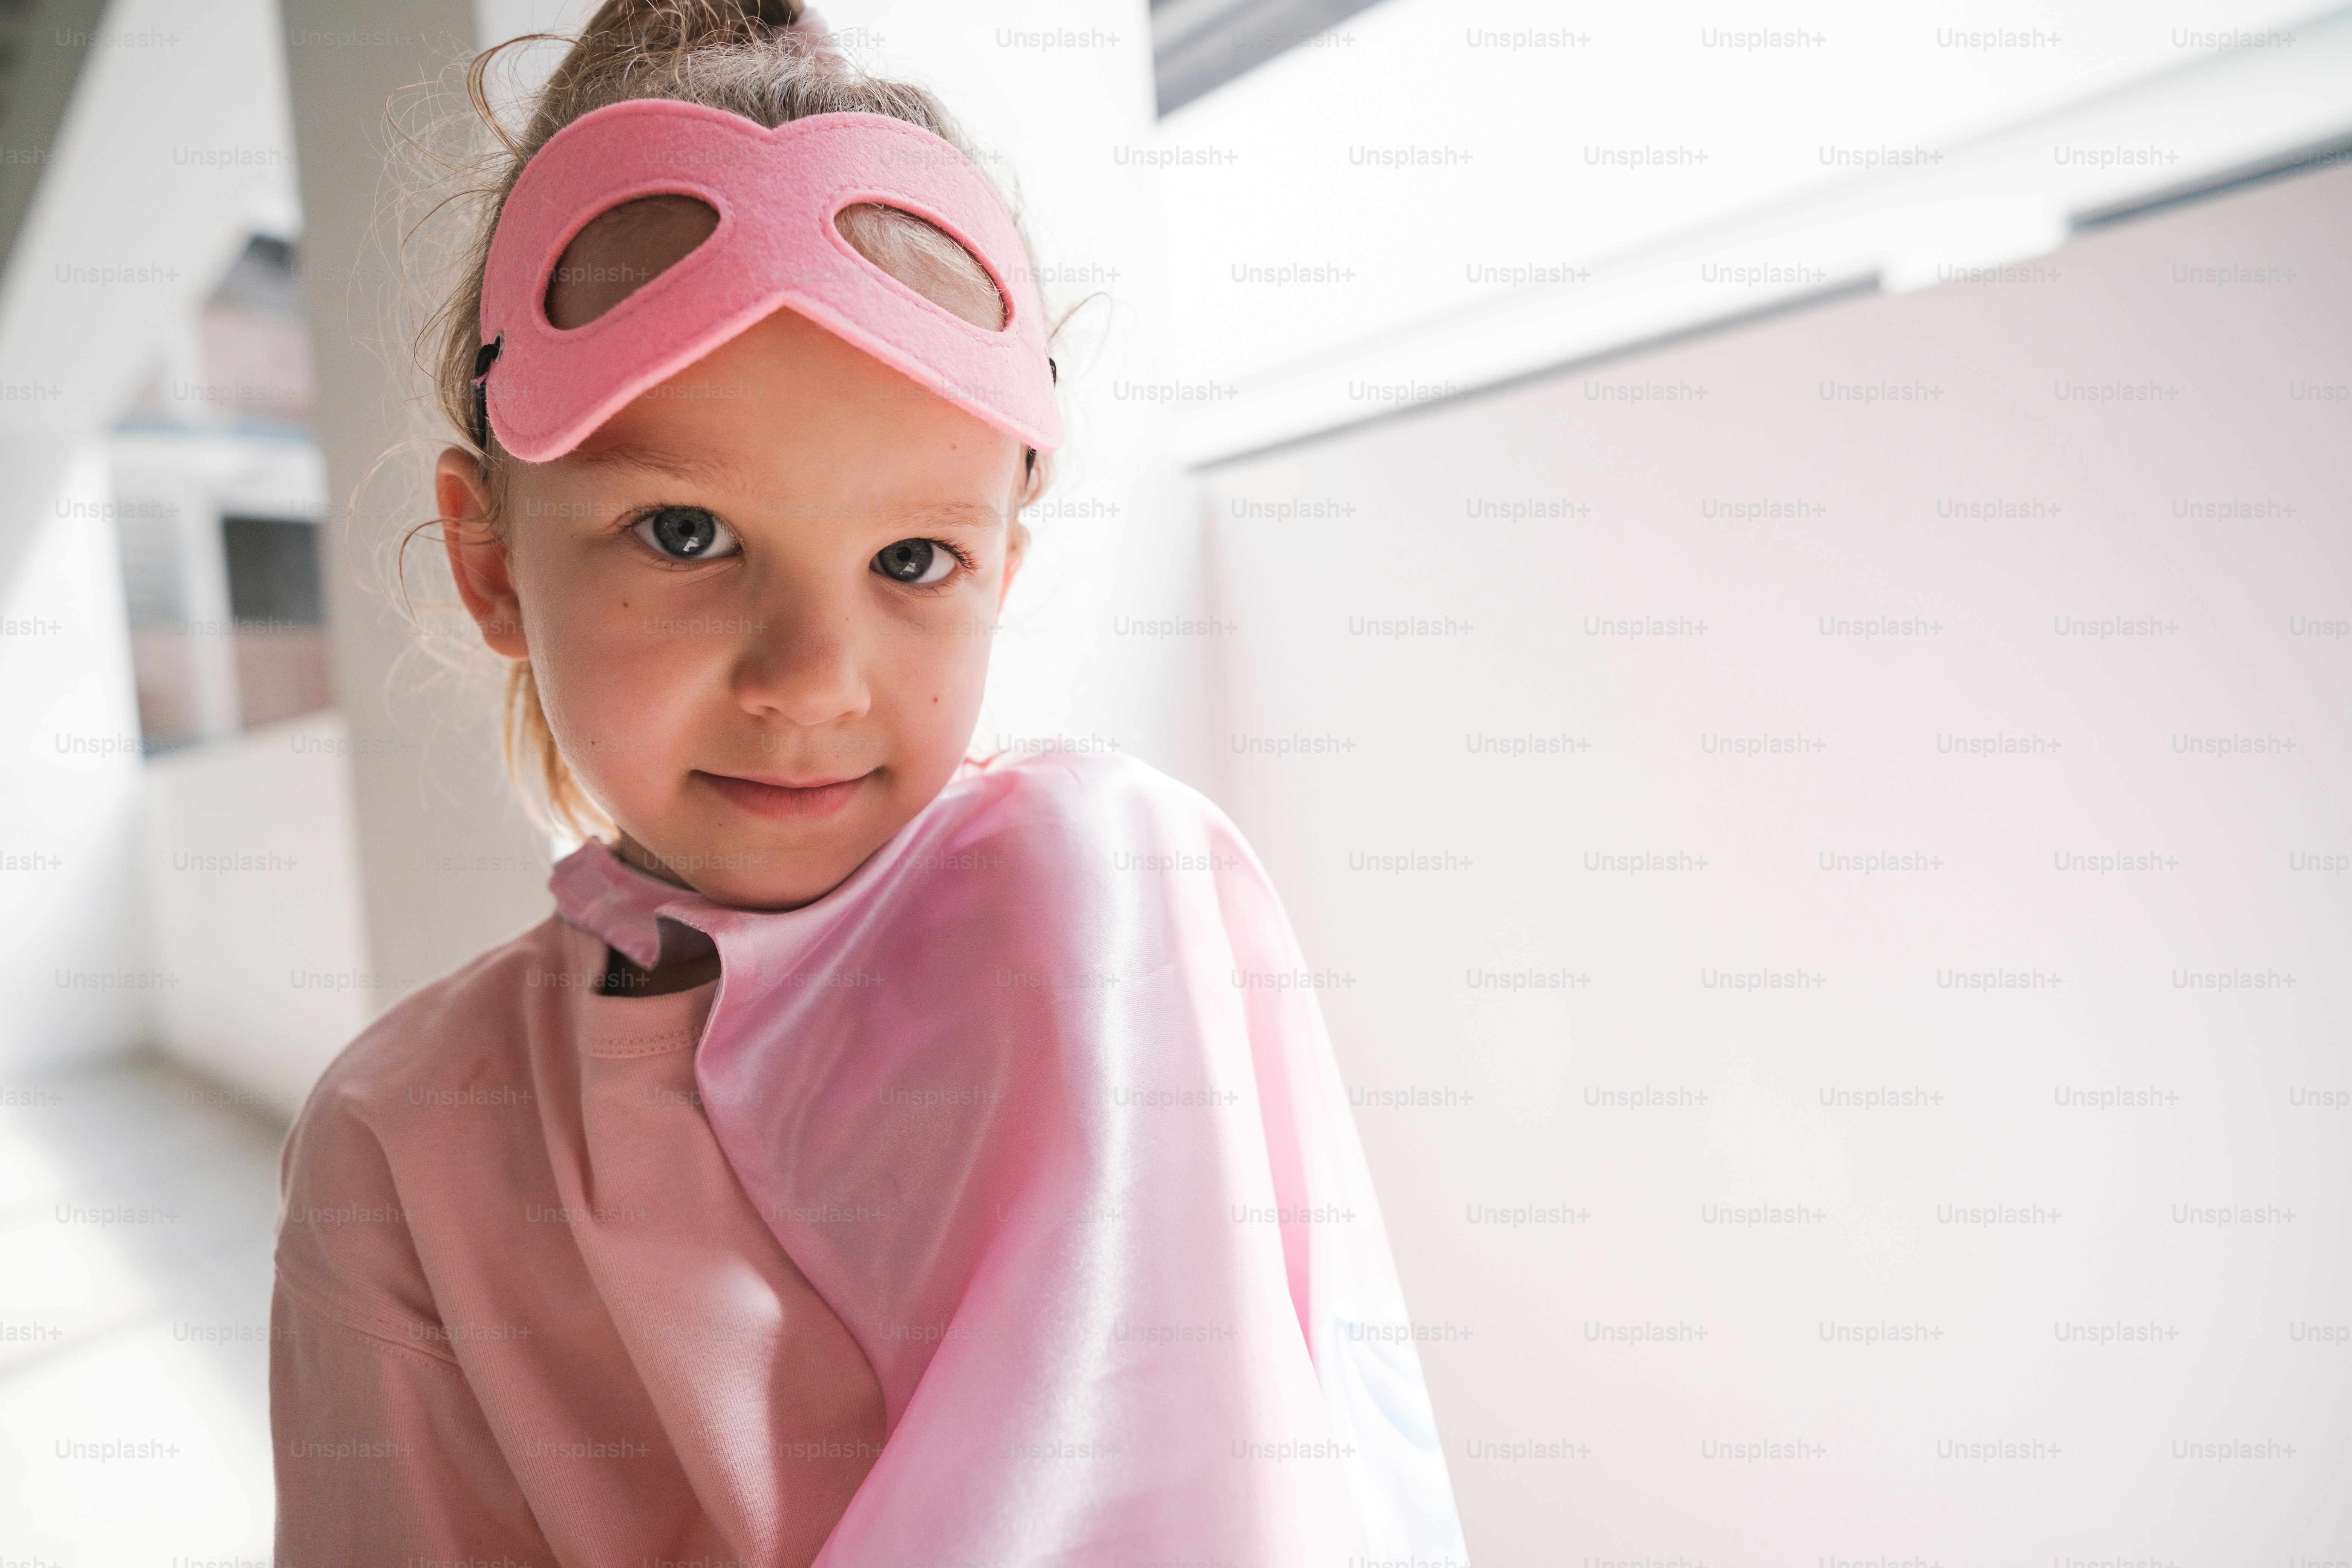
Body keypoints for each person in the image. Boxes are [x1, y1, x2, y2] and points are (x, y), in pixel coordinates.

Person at [269, 3, 1466, 1562]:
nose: (811, 678)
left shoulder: (1109, 901)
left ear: (1003, 569)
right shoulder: (401, 1131)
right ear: (493, 561)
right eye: (686, 534)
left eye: (915, 557)